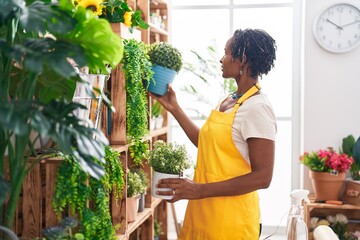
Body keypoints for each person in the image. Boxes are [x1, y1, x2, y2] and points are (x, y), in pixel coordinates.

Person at [151, 28, 277, 240]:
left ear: (242, 59)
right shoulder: (229, 99)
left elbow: (263, 177)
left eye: (226, 53)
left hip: (231, 221)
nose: (221, 59)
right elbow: (207, 143)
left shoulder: (258, 108)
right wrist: (174, 108)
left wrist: (198, 190)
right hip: (202, 212)